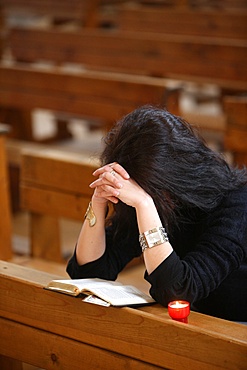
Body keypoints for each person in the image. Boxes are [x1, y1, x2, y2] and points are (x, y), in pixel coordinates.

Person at [67, 105, 247, 321]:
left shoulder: (237, 204)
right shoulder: (154, 195)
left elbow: (178, 291)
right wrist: (98, 201)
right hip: (196, 323)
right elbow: (89, 275)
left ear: (178, 173)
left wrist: (144, 204)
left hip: (237, 329)